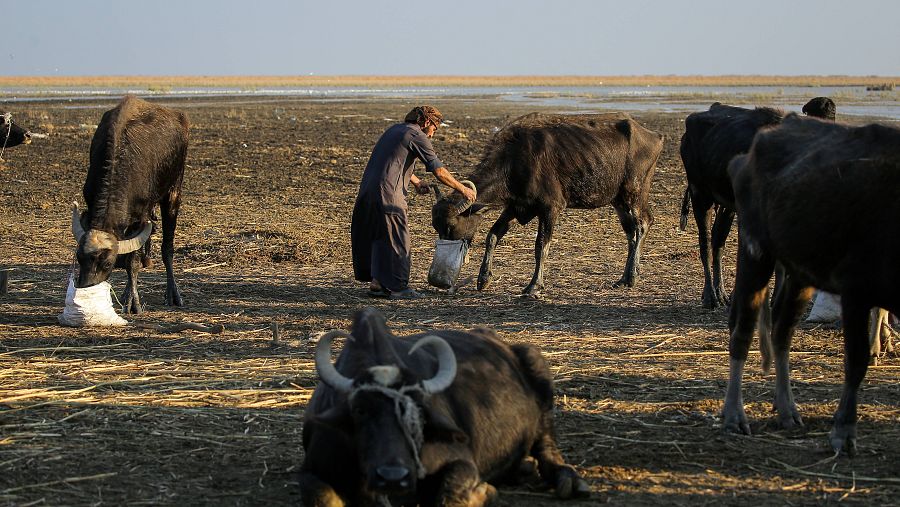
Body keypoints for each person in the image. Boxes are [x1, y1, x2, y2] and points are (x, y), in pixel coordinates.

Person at [351, 105, 476, 299]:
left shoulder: (394, 130)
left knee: (380, 238)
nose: (433, 134)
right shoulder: (417, 135)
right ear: (426, 122)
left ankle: (377, 284)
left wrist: (416, 181)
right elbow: (439, 171)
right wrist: (463, 189)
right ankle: (399, 288)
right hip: (389, 196)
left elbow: (393, 161)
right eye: (434, 128)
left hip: (368, 192)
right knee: (400, 241)